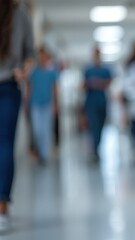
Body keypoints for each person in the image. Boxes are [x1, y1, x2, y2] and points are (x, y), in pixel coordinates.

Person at [0, 0, 35, 233]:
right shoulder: (19, 11)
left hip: (9, 86)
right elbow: (29, 55)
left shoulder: (19, 10)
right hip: (9, 85)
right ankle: (1, 210)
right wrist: (22, 72)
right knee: (4, 145)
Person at [26, 46, 59, 165]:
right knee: (37, 130)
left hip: (47, 104)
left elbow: (55, 89)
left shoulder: (52, 72)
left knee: (46, 130)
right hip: (35, 104)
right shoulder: (34, 72)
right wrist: (26, 103)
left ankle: (44, 155)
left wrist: (56, 105)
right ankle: (41, 151)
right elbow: (29, 88)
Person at [82, 46, 112, 163]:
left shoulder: (106, 70)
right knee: (93, 126)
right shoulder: (88, 70)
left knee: (100, 126)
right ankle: (94, 151)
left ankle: (97, 147)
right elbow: (83, 85)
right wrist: (91, 84)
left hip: (102, 102)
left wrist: (96, 83)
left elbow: (108, 83)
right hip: (91, 103)